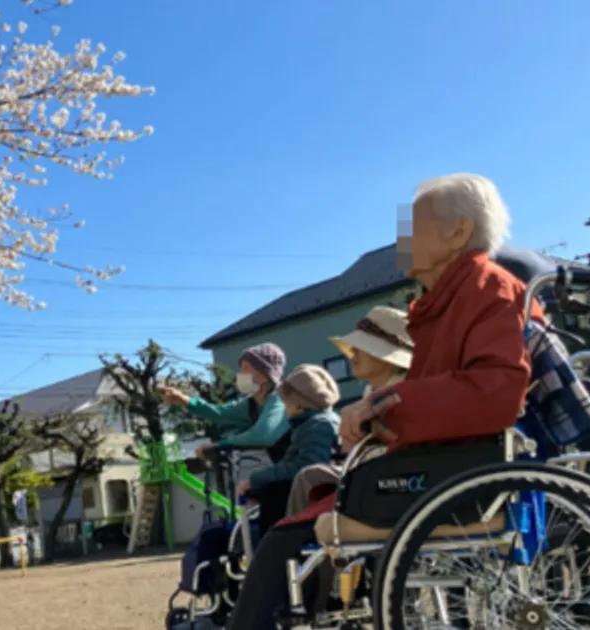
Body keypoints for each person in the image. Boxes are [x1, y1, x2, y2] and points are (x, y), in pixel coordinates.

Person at [225, 173, 538, 630]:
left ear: (459, 231)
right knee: (293, 522)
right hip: (437, 466)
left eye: (413, 227)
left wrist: (383, 405)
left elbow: (496, 390)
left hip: (451, 475)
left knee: (280, 540)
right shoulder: (446, 301)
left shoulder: (486, 289)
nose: (401, 238)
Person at [283, 305, 412, 516]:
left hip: (389, 478)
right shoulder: (372, 392)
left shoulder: (398, 394)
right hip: (370, 471)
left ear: (385, 355)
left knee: (309, 476)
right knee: (310, 476)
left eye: (361, 347)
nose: (352, 353)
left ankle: (293, 538)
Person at [234, 364, 341, 533]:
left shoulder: (318, 426)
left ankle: (271, 552)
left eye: (286, 403)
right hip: (313, 494)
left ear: (300, 405)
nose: (284, 408)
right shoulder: (311, 424)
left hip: (313, 498)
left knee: (275, 495)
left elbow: (307, 468)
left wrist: (257, 479)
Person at [159, 343, 291, 461]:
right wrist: (186, 400)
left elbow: (263, 435)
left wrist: (222, 444)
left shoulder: (280, 398)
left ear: (264, 375)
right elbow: (220, 413)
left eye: (245, 368)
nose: (239, 373)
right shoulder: (252, 404)